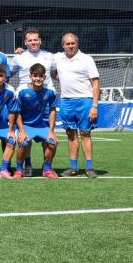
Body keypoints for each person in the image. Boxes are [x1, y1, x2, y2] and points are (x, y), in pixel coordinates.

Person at [52, 32, 100, 178]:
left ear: (77, 44)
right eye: (68, 43)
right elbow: (47, 65)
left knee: (85, 133)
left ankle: (89, 167)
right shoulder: (57, 57)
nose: (70, 46)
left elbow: (96, 83)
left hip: (85, 101)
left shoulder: (87, 59)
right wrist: (21, 51)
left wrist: (94, 106)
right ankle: (73, 168)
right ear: (63, 45)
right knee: (71, 134)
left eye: (73, 43)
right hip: (66, 101)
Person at [9, 28, 55, 176]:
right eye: (30, 40)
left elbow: (55, 73)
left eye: (36, 39)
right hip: (26, 99)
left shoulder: (50, 56)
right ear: (25, 42)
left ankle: (47, 168)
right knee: (25, 138)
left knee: (47, 139)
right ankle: (26, 165)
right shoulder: (19, 57)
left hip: (44, 98)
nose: (33, 42)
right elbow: (9, 74)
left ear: (40, 40)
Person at [15, 63, 59, 179]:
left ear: (44, 77)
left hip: (40, 125)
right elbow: (17, 113)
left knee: (53, 143)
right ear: (30, 76)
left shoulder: (49, 92)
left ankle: (47, 169)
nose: (38, 78)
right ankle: (19, 169)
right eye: (35, 76)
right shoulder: (22, 92)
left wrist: (51, 131)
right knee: (23, 143)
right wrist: (22, 131)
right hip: (25, 125)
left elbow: (52, 111)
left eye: (40, 76)